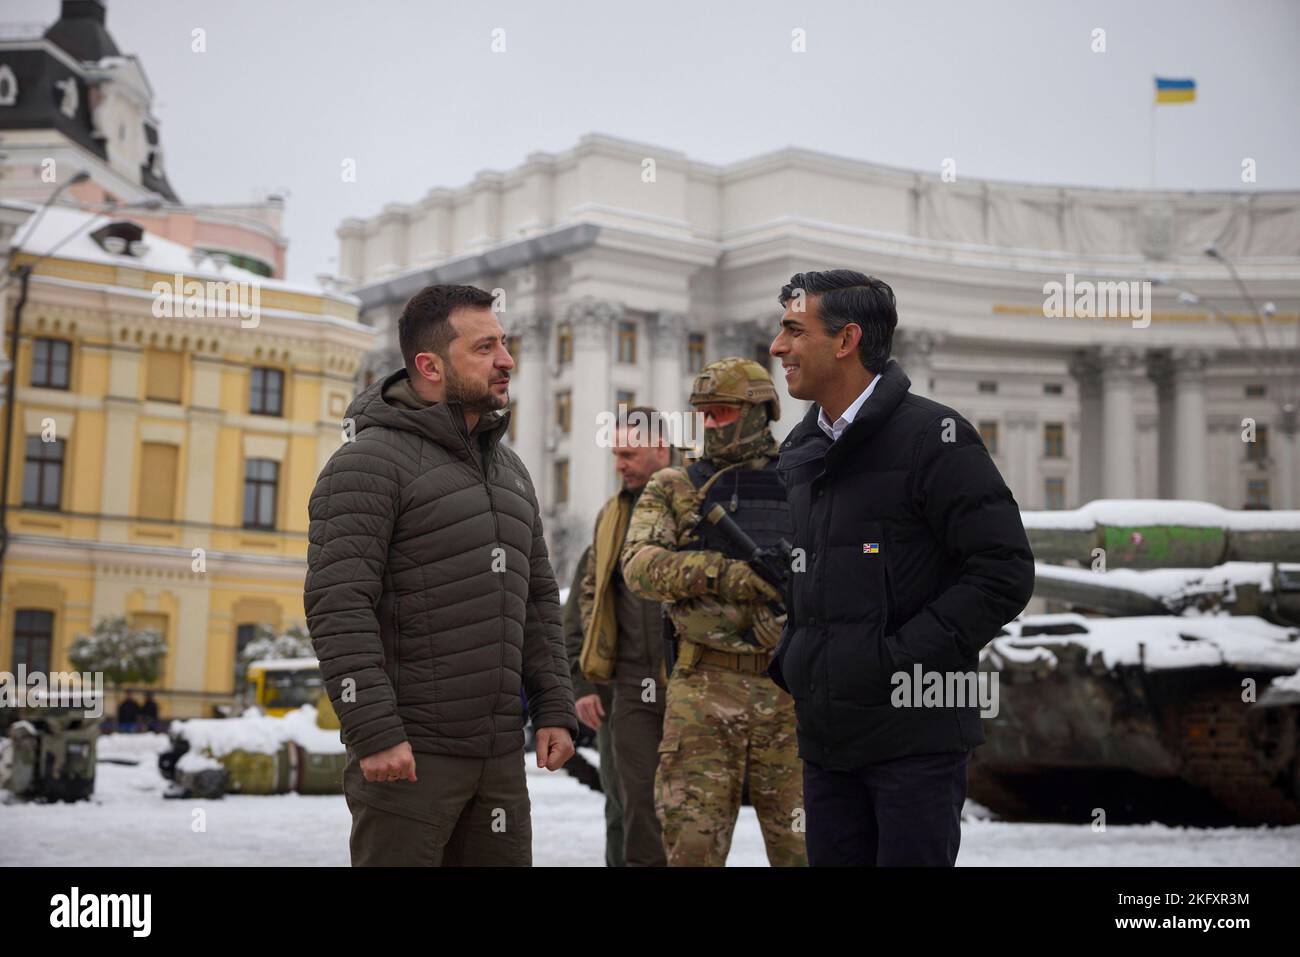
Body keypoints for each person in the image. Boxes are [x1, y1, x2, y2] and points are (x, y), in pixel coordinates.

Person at [305, 283, 578, 867]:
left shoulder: (509, 470)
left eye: (504, 344)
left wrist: (554, 705)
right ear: (429, 365)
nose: (507, 360)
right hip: (409, 761)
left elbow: (536, 599)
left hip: (499, 759)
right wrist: (374, 731)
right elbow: (338, 604)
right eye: (485, 348)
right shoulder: (366, 462)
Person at [769, 269, 1035, 866]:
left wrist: (895, 661)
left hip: (914, 743)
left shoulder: (934, 437)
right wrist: (797, 660)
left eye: (793, 329)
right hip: (827, 744)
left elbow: (1004, 571)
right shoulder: (800, 452)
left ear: (846, 340)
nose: (777, 346)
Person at [621, 359, 806, 867]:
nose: (709, 425)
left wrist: (791, 619)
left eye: (721, 413)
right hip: (704, 687)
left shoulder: (807, 483)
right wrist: (725, 575)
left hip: (791, 691)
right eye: (702, 414)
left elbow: (847, 572)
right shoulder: (674, 486)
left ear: (758, 412)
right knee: (693, 849)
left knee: (805, 848)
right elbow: (638, 567)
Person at [577, 408, 673, 867]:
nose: (619, 464)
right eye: (615, 454)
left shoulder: (698, 500)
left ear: (661, 448)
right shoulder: (612, 514)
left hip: (691, 681)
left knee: (695, 812)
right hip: (629, 686)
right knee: (633, 807)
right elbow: (586, 602)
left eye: (629, 454)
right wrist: (583, 685)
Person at [563, 545, 625, 867]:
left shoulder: (689, 534)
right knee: (622, 807)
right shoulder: (603, 546)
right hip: (616, 699)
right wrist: (582, 686)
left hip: (684, 698)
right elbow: (572, 625)